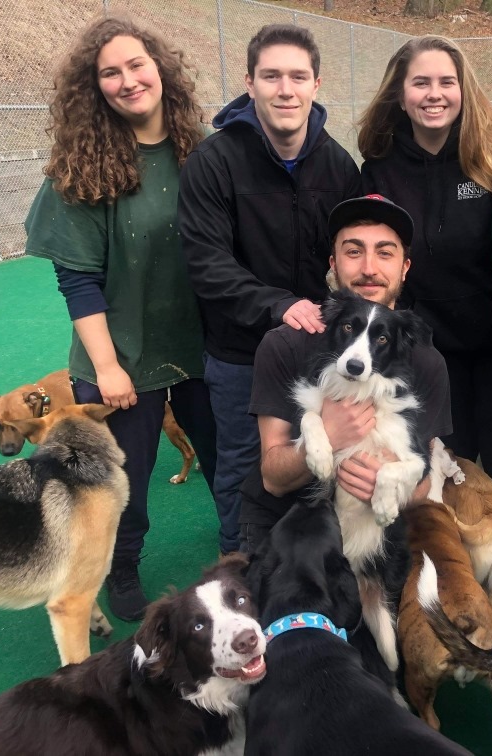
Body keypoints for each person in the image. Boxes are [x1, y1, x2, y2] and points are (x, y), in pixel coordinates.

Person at [24, 16, 220, 621]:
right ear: (94, 88)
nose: (128, 80)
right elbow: (76, 279)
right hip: (120, 356)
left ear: (160, 67)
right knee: (117, 487)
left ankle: (244, 545)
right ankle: (121, 566)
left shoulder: (206, 150)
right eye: (110, 72)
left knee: (230, 459)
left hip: (203, 347)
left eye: (137, 64)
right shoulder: (85, 167)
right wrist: (106, 366)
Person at [357, 36, 492, 617]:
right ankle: (441, 589)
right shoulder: (377, 168)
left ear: (464, 90)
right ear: (399, 94)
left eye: (446, 82)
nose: (435, 94)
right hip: (428, 355)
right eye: (421, 83)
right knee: (439, 474)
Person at [178, 24, 361, 558]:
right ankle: (243, 571)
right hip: (240, 352)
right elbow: (206, 263)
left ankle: (322, 569)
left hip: (322, 348)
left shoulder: (338, 164)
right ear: (249, 82)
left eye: (298, 76)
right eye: (272, 75)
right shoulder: (214, 162)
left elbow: (348, 256)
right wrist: (279, 306)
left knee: (324, 458)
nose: (286, 89)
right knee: (244, 466)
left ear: (316, 84)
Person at [238, 195, 452, 554]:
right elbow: (273, 480)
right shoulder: (284, 344)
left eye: (385, 252)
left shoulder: (426, 361)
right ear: (333, 264)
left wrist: (388, 486)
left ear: (405, 267)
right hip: (284, 527)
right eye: (354, 252)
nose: (369, 267)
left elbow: (423, 478)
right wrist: (329, 434)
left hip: (368, 533)